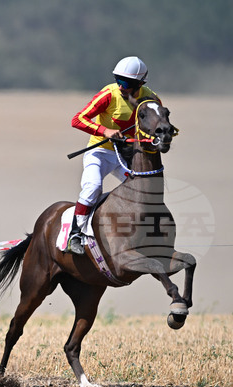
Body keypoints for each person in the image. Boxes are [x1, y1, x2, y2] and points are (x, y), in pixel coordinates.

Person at [66, 56, 161, 255]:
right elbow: (78, 119)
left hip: (125, 156)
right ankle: (75, 234)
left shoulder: (151, 100)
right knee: (93, 186)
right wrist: (105, 131)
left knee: (145, 190)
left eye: (125, 82)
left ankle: (144, 234)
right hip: (99, 153)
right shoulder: (108, 95)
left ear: (139, 84)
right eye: (117, 79)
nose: (120, 86)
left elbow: (159, 125)